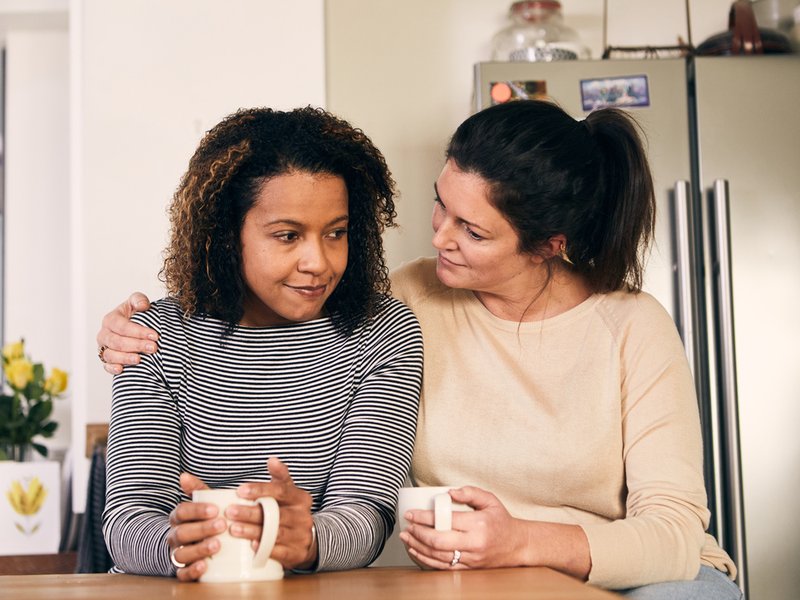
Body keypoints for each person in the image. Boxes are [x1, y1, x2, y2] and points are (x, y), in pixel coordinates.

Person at [97, 100, 740, 598]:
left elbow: (674, 534)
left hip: (626, 571)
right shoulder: (399, 301)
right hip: (460, 577)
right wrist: (126, 332)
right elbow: (268, 313)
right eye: (440, 206)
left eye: (473, 229)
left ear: (549, 244)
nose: (440, 238)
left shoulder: (632, 327)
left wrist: (521, 542)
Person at [99, 106, 423, 581]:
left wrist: (306, 539)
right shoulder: (155, 337)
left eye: (336, 232)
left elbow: (366, 513)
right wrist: (180, 546)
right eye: (288, 236)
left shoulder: (383, 332)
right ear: (228, 235)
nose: (319, 261)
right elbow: (129, 519)